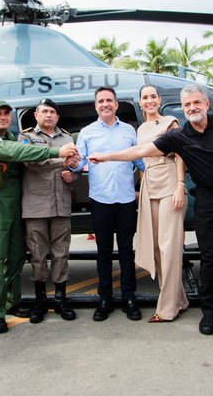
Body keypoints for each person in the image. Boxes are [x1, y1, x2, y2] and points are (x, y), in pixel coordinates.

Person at [88, 84, 213, 335]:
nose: (192, 107)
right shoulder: (179, 136)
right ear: (183, 109)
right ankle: (210, 313)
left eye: (196, 103)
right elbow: (141, 151)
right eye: (187, 105)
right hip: (206, 198)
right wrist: (106, 157)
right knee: (209, 258)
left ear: (206, 104)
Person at [0, 99, 78, 334]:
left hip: (15, 203)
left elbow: (74, 166)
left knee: (16, 255)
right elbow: (21, 154)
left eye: (6, 114)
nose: (2, 117)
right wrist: (58, 154)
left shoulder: (11, 137)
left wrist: (72, 170)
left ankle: (11, 302)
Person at [73, 86, 145, 322]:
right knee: (103, 252)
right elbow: (78, 162)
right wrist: (69, 168)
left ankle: (129, 298)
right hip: (100, 199)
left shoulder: (129, 131)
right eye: (101, 101)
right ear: (96, 106)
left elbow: (141, 162)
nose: (105, 104)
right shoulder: (86, 132)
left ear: (116, 104)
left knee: (126, 251)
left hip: (125, 199)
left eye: (109, 100)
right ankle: (105, 298)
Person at [18, 98, 79, 323]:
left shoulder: (67, 137)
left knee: (61, 254)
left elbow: (74, 165)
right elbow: (30, 162)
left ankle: (61, 298)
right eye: (44, 111)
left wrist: (73, 173)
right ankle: (40, 300)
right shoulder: (26, 137)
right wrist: (61, 159)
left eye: (52, 112)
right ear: (36, 115)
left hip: (61, 204)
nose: (48, 115)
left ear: (57, 116)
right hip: (36, 207)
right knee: (38, 255)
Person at [135, 85, 188, 323]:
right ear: (139, 102)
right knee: (156, 248)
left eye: (153, 96)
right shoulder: (141, 129)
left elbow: (180, 156)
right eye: (145, 97)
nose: (149, 100)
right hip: (149, 186)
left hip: (169, 184)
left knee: (169, 248)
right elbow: (142, 161)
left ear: (159, 100)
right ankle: (181, 300)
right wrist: (141, 189)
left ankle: (167, 308)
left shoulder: (170, 122)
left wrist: (180, 186)